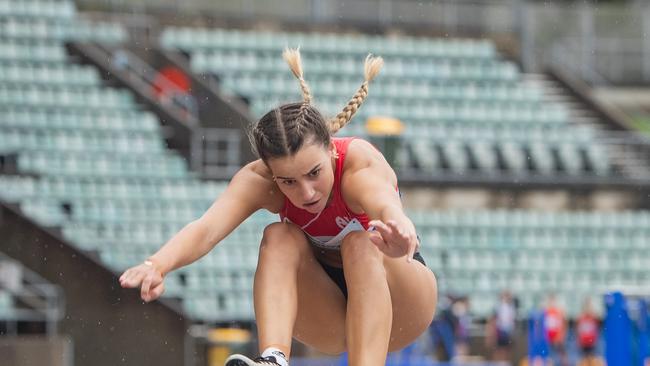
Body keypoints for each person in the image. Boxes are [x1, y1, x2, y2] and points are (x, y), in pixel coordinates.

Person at [119, 48, 438, 366]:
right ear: (272, 174)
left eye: (314, 173)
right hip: (332, 311)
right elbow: (207, 229)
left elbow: (386, 204)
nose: (307, 192)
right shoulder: (259, 180)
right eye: (288, 182)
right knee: (278, 236)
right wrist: (157, 264)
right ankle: (273, 358)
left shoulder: (358, 166)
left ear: (330, 151)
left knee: (360, 243)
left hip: (402, 304)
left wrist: (402, 232)